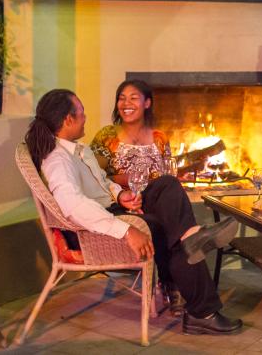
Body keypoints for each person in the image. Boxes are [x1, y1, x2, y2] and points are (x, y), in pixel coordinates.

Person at [25, 89, 243, 335]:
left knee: (167, 185)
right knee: (168, 229)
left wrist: (120, 194)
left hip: (112, 209)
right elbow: (73, 206)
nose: (85, 117)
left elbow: (102, 182)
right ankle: (202, 311)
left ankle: (192, 238)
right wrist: (127, 230)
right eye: (82, 112)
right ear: (68, 120)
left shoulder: (78, 151)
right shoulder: (57, 160)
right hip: (91, 230)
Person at [90, 79, 184, 316]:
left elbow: (167, 176)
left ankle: (173, 283)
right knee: (163, 223)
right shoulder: (107, 136)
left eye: (133, 97)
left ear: (147, 103)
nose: (126, 103)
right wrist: (126, 183)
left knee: (166, 206)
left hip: (153, 201)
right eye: (121, 98)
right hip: (120, 203)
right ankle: (174, 283)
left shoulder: (160, 138)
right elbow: (95, 176)